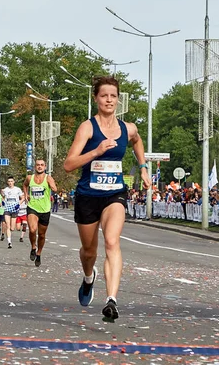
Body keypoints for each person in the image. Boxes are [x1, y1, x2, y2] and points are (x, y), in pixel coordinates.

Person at [64, 76, 150, 322]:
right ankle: (89, 278)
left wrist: (142, 167)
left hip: (114, 194)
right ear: (96, 99)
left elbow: (137, 140)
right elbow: (69, 164)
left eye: (113, 96)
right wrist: (96, 151)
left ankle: (111, 299)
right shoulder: (88, 128)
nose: (109, 100)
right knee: (89, 251)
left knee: (112, 241)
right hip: (88, 196)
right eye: (104, 96)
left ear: (118, 99)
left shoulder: (127, 128)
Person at [23, 159, 58, 267]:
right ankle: (33, 247)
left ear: (45, 167)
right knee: (33, 229)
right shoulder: (30, 178)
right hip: (32, 207)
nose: (39, 167)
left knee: (42, 235)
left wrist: (52, 186)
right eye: (38, 165)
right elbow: (25, 185)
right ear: (35, 167)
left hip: (45, 209)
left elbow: (55, 188)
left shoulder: (48, 178)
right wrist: (26, 194)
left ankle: (39, 253)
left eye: (42, 165)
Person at [2, 176, 24, 249]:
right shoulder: (5, 190)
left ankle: (11, 230)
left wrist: (18, 204)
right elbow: (2, 197)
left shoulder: (17, 189)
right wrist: (3, 201)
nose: (10, 183)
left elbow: (23, 198)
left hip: (14, 209)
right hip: (7, 208)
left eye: (11, 181)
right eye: (9, 181)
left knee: (12, 228)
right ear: (7, 182)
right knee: (8, 226)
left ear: (14, 182)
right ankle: (9, 242)